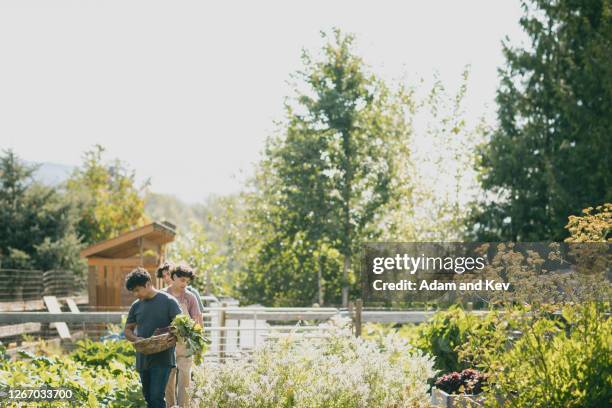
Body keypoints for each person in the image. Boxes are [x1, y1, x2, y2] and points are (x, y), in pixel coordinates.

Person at [124, 267, 182, 408]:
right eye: (133, 291)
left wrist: (174, 336)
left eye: (137, 290)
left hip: (163, 358)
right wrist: (136, 339)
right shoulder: (136, 306)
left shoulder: (169, 301)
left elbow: (181, 327)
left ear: (148, 284)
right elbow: (128, 330)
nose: (136, 294)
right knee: (148, 397)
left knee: (156, 397)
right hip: (143, 358)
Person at [163, 263, 203, 408]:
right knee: (169, 376)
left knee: (185, 377)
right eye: (182, 280)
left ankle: (183, 406)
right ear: (173, 277)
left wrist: (198, 341)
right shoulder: (163, 296)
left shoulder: (190, 297)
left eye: (187, 281)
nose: (184, 284)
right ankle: (170, 405)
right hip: (167, 342)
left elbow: (198, 319)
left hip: (186, 343)